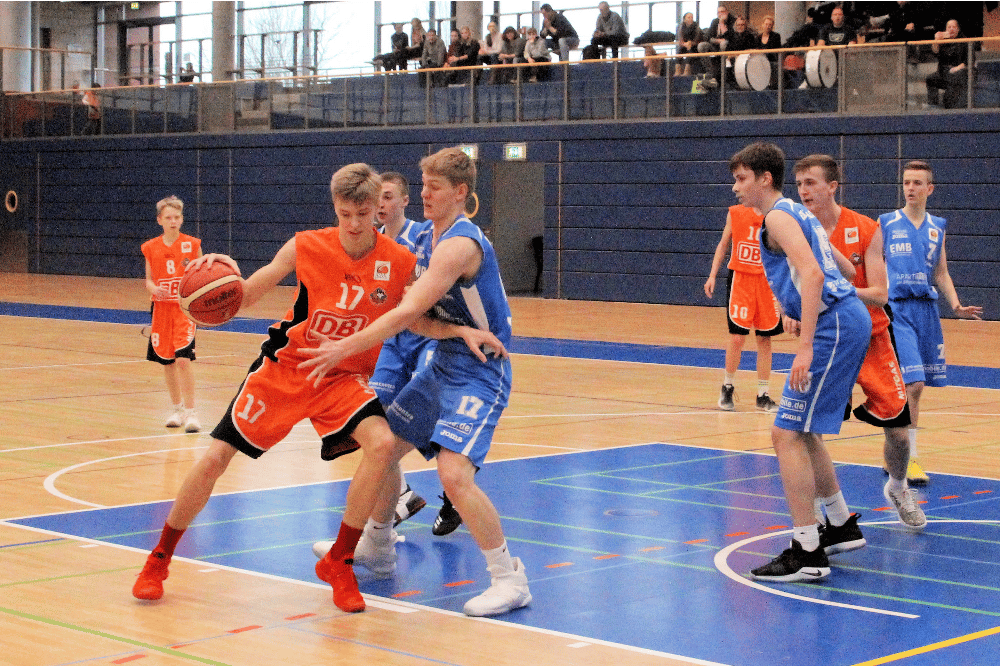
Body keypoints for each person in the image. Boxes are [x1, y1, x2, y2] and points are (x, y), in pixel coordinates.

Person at [130, 164, 500, 613]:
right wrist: (210, 281)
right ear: (335, 209)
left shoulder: (397, 260)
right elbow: (247, 293)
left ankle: (341, 561)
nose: (354, 223)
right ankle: (159, 558)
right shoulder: (306, 245)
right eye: (345, 214)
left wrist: (456, 332)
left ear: (377, 208)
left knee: (383, 445)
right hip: (288, 369)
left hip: (341, 378)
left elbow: (414, 317)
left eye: (363, 213)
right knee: (214, 459)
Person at [299, 147, 531, 617]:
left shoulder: (459, 245)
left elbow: (405, 311)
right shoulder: (425, 239)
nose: (423, 194)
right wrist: (456, 329)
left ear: (461, 193)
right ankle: (378, 547)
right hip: (445, 359)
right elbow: (418, 319)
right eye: (422, 185)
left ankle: (510, 579)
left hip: (482, 370)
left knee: (453, 474)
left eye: (434, 187)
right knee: (382, 447)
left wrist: (344, 347)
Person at [729, 142, 870, 582]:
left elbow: (813, 272)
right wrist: (796, 306)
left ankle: (807, 550)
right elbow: (842, 268)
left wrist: (806, 343)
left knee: (784, 433)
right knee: (804, 431)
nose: (735, 188)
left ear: (765, 178)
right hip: (842, 319)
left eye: (741, 179)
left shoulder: (776, 216)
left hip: (833, 327)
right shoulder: (796, 212)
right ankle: (840, 524)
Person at [793, 154, 926, 528]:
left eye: (811, 183)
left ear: (832, 187)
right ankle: (829, 515)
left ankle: (898, 487)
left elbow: (881, 293)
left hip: (872, 337)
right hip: (826, 339)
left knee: (898, 435)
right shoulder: (794, 230)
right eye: (800, 184)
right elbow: (792, 286)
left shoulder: (866, 228)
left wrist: (838, 292)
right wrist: (790, 312)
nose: (804, 191)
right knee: (807, 431)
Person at [879, 161, 982, 486]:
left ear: (929, 189)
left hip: (927, 312)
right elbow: (874, 264)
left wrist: (955, 304)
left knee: (917, 392)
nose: (910, 187)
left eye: (917, 183)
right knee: (914, 385)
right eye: (907, 182)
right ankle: (909, 460)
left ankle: (894, 452)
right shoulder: (887, 223)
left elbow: (940, 272)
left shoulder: (937, 226)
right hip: (897, 309)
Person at [704, 205, 782, 413]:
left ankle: (763, 395)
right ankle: (727, 386)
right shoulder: (735, 212)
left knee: (765, 339)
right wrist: (712, 275)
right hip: (741, 279)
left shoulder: (774, 214)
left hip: (767, 282)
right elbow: (723, 245)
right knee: (737, 337)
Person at [141, 195, 202, 433]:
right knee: (166, 362)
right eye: (168, 217)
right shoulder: (150, 247)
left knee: (183, 360)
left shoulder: (192, 244)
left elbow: (201, 275)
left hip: (183, 310)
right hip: (161, 310)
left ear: (182, 219)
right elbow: (148, 280)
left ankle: (191, 412)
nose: (173, 221)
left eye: (177, 217)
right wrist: (154, 288)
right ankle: (176, 409)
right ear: (160, 220)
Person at [926, 19, 968, 109]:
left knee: (952, 82)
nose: (951, 29)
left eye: (954, 27)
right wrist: (936, 40)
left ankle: (949, 106)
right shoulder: (943, 41)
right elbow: (935, 52)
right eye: (949, 27)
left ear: (958, 29)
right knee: (930, 79)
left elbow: (968, 61)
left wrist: (957, 68)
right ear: (945, 30)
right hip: (943, 72)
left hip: (958, 72)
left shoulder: (964, 40)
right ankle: (933, 105)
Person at [697, 4, 736, 87]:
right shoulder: (714, 21)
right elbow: (708, 37)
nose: (720, 14)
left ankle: (722, 69)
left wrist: (722, 23)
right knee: (701, 45)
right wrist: (717, 40)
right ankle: (710, 71)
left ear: (727, 12)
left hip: (728, 48)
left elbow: (730, 37)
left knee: (724, 43)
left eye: (722, 11)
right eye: (718, 12)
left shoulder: (732, 21)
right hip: (715, 46)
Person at [674, 12, 702, 76]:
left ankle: (687, 71)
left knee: (690, 51)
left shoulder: (696, 26)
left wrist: (690, 43)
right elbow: (679, 39)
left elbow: (697, 39)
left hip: (694, 46)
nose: (690, 19)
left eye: (692, 17)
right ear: (684, 19)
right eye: (689, 17)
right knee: (679, 52)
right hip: (684, 45)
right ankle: (677, 71)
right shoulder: (681, 27)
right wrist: (685, 44)